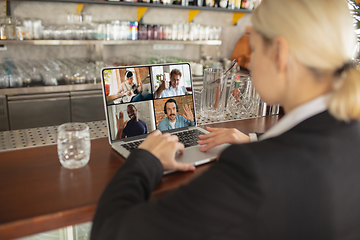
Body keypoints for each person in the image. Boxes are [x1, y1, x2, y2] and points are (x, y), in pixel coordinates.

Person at [91, 0, 360, 239]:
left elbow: (109, 231)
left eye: (254, 49)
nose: (250, 63)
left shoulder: (253, 171)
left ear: (279, 53)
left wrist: (145, 159)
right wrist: (254, 138)